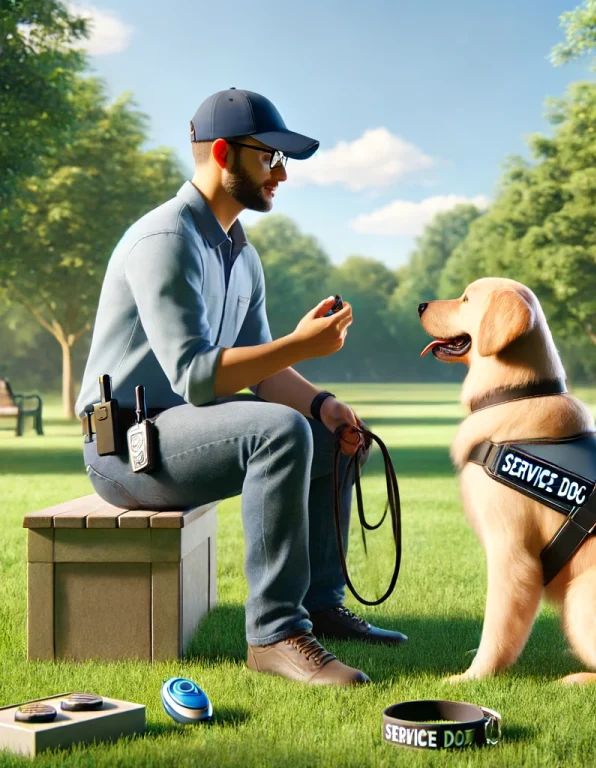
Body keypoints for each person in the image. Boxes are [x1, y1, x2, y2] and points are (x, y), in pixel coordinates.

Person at [74, 88, 407, 687]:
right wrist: (303, 344)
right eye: (269, 158)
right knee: (276, 432)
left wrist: (324, 404)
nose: (282, 173)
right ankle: (275, 634)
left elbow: (259, 368)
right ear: (223, 154)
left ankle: (321, 607)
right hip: (124, 449)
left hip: (184, 431)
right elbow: (198, 376)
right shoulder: (166, 240)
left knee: (323, 432)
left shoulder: (241, 253)